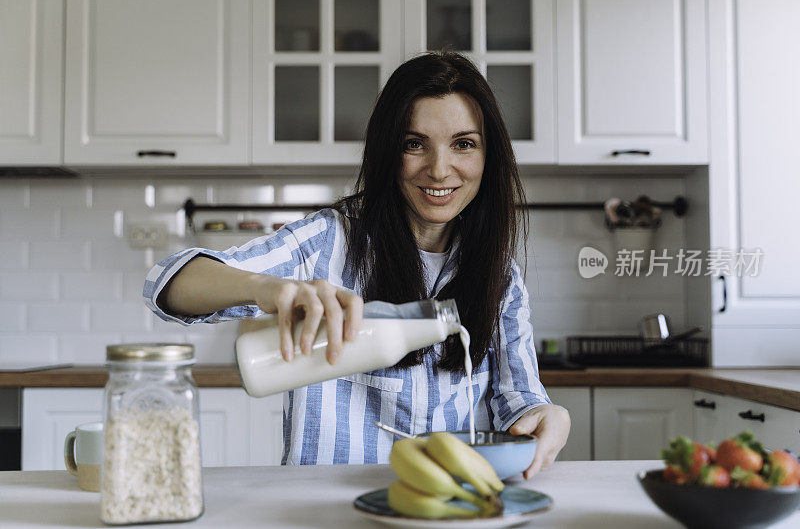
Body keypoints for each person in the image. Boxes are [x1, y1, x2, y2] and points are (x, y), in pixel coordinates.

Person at [144, 51, 570, 478]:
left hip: (449, 507)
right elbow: (167, 283)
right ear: (388, 151)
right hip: (328, 512)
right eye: (414, 144)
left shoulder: (501, 274)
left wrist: (548, 415)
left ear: (487, 156)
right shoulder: (328, 242)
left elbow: (520, 401)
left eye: (463, 144)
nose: (440, 170)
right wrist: (265, 288)